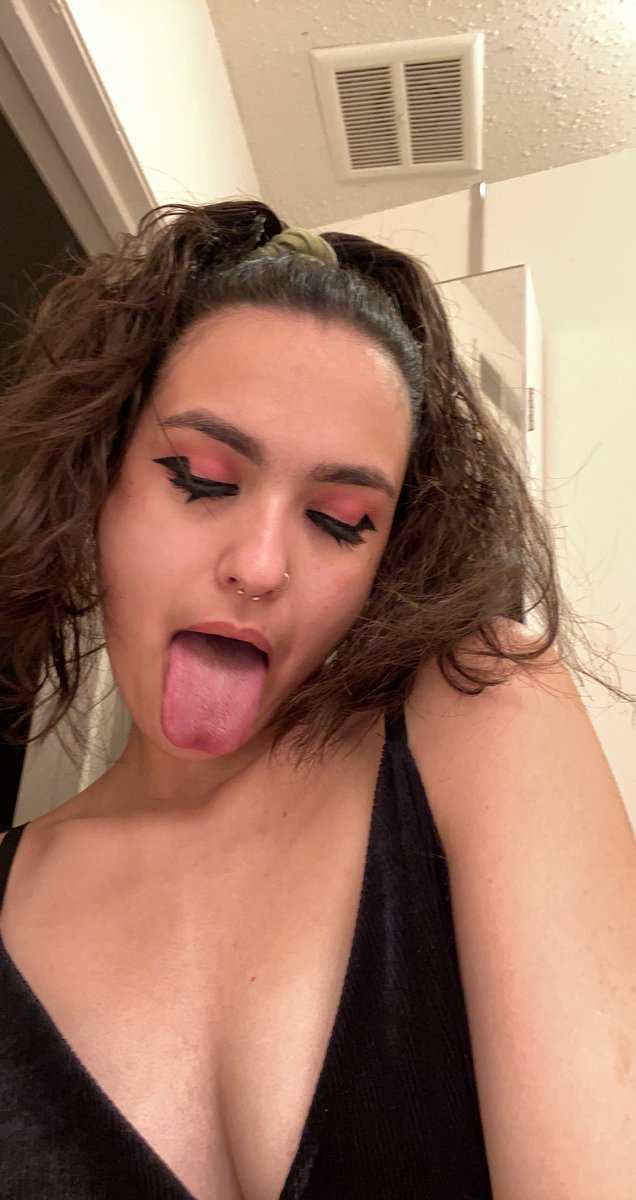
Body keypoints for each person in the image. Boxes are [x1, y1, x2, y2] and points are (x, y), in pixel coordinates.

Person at [0, 201, 634, 1200]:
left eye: (340, 521)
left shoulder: (478, 709)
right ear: (99, 482)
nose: (259, 566)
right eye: (199, 477)